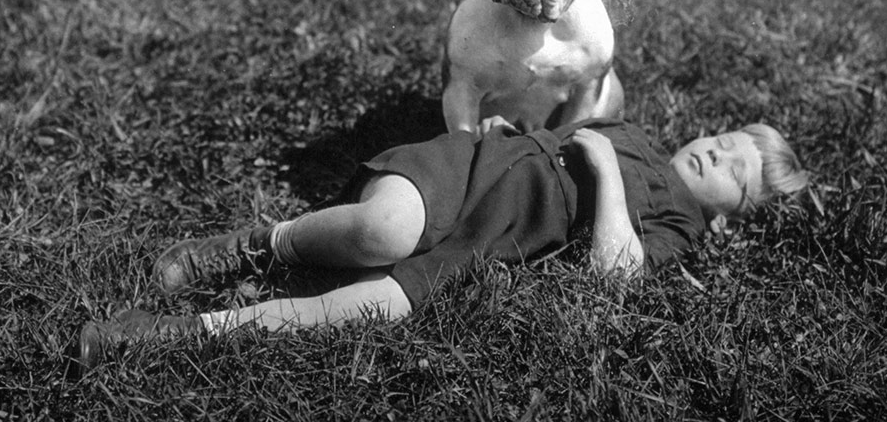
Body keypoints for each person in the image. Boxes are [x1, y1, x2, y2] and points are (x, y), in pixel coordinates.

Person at [80, 116, 808, 367]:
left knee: (379, 309)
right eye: (725, 138)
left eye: (737, 169)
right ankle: (261, 244)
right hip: (473, 173)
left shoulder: (679, 228)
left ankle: (165, 337)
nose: (718, 150)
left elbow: (616, 276)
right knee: (382, 228)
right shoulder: (639, 133)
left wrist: (604, 171)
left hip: (499, 242)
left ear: (729, 217)